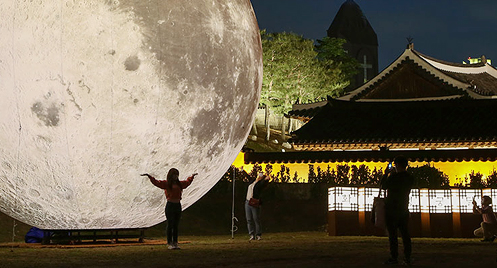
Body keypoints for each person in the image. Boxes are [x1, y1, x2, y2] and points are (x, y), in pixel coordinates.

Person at [142, 169, 197, 249]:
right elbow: (157, 183)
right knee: (170, 224)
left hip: (177, 205)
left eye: (176, 175)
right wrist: (150, 177)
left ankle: (175, 242)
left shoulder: (179, 184)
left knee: (176, 225)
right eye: (174, 175)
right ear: (170, 175)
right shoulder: (167, 184)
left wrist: (192, 177)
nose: (175, 177)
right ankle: (169, 243)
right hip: (170, 205)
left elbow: (187, 183)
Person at [381, 156, 414, 265]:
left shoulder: (393, 177)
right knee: (405, 234)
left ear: (397, 165)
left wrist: (386, 174)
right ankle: (407, 257)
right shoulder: (409, 178)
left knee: (393, 235)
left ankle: (394, 257)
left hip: (391, 208)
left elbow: (384, 186)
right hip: (404, 207)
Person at [245, 172, 270, 241]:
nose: (259, 177)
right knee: (249, 219)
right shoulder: (253, 181)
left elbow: (264, 183)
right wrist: (242, 170)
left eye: (260, 176)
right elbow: (248, 177)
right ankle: (251, 235)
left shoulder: (260, 184)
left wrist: (267, 179)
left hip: (254, 202)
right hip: (247, 201)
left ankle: (258, 235)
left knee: (256, 218)